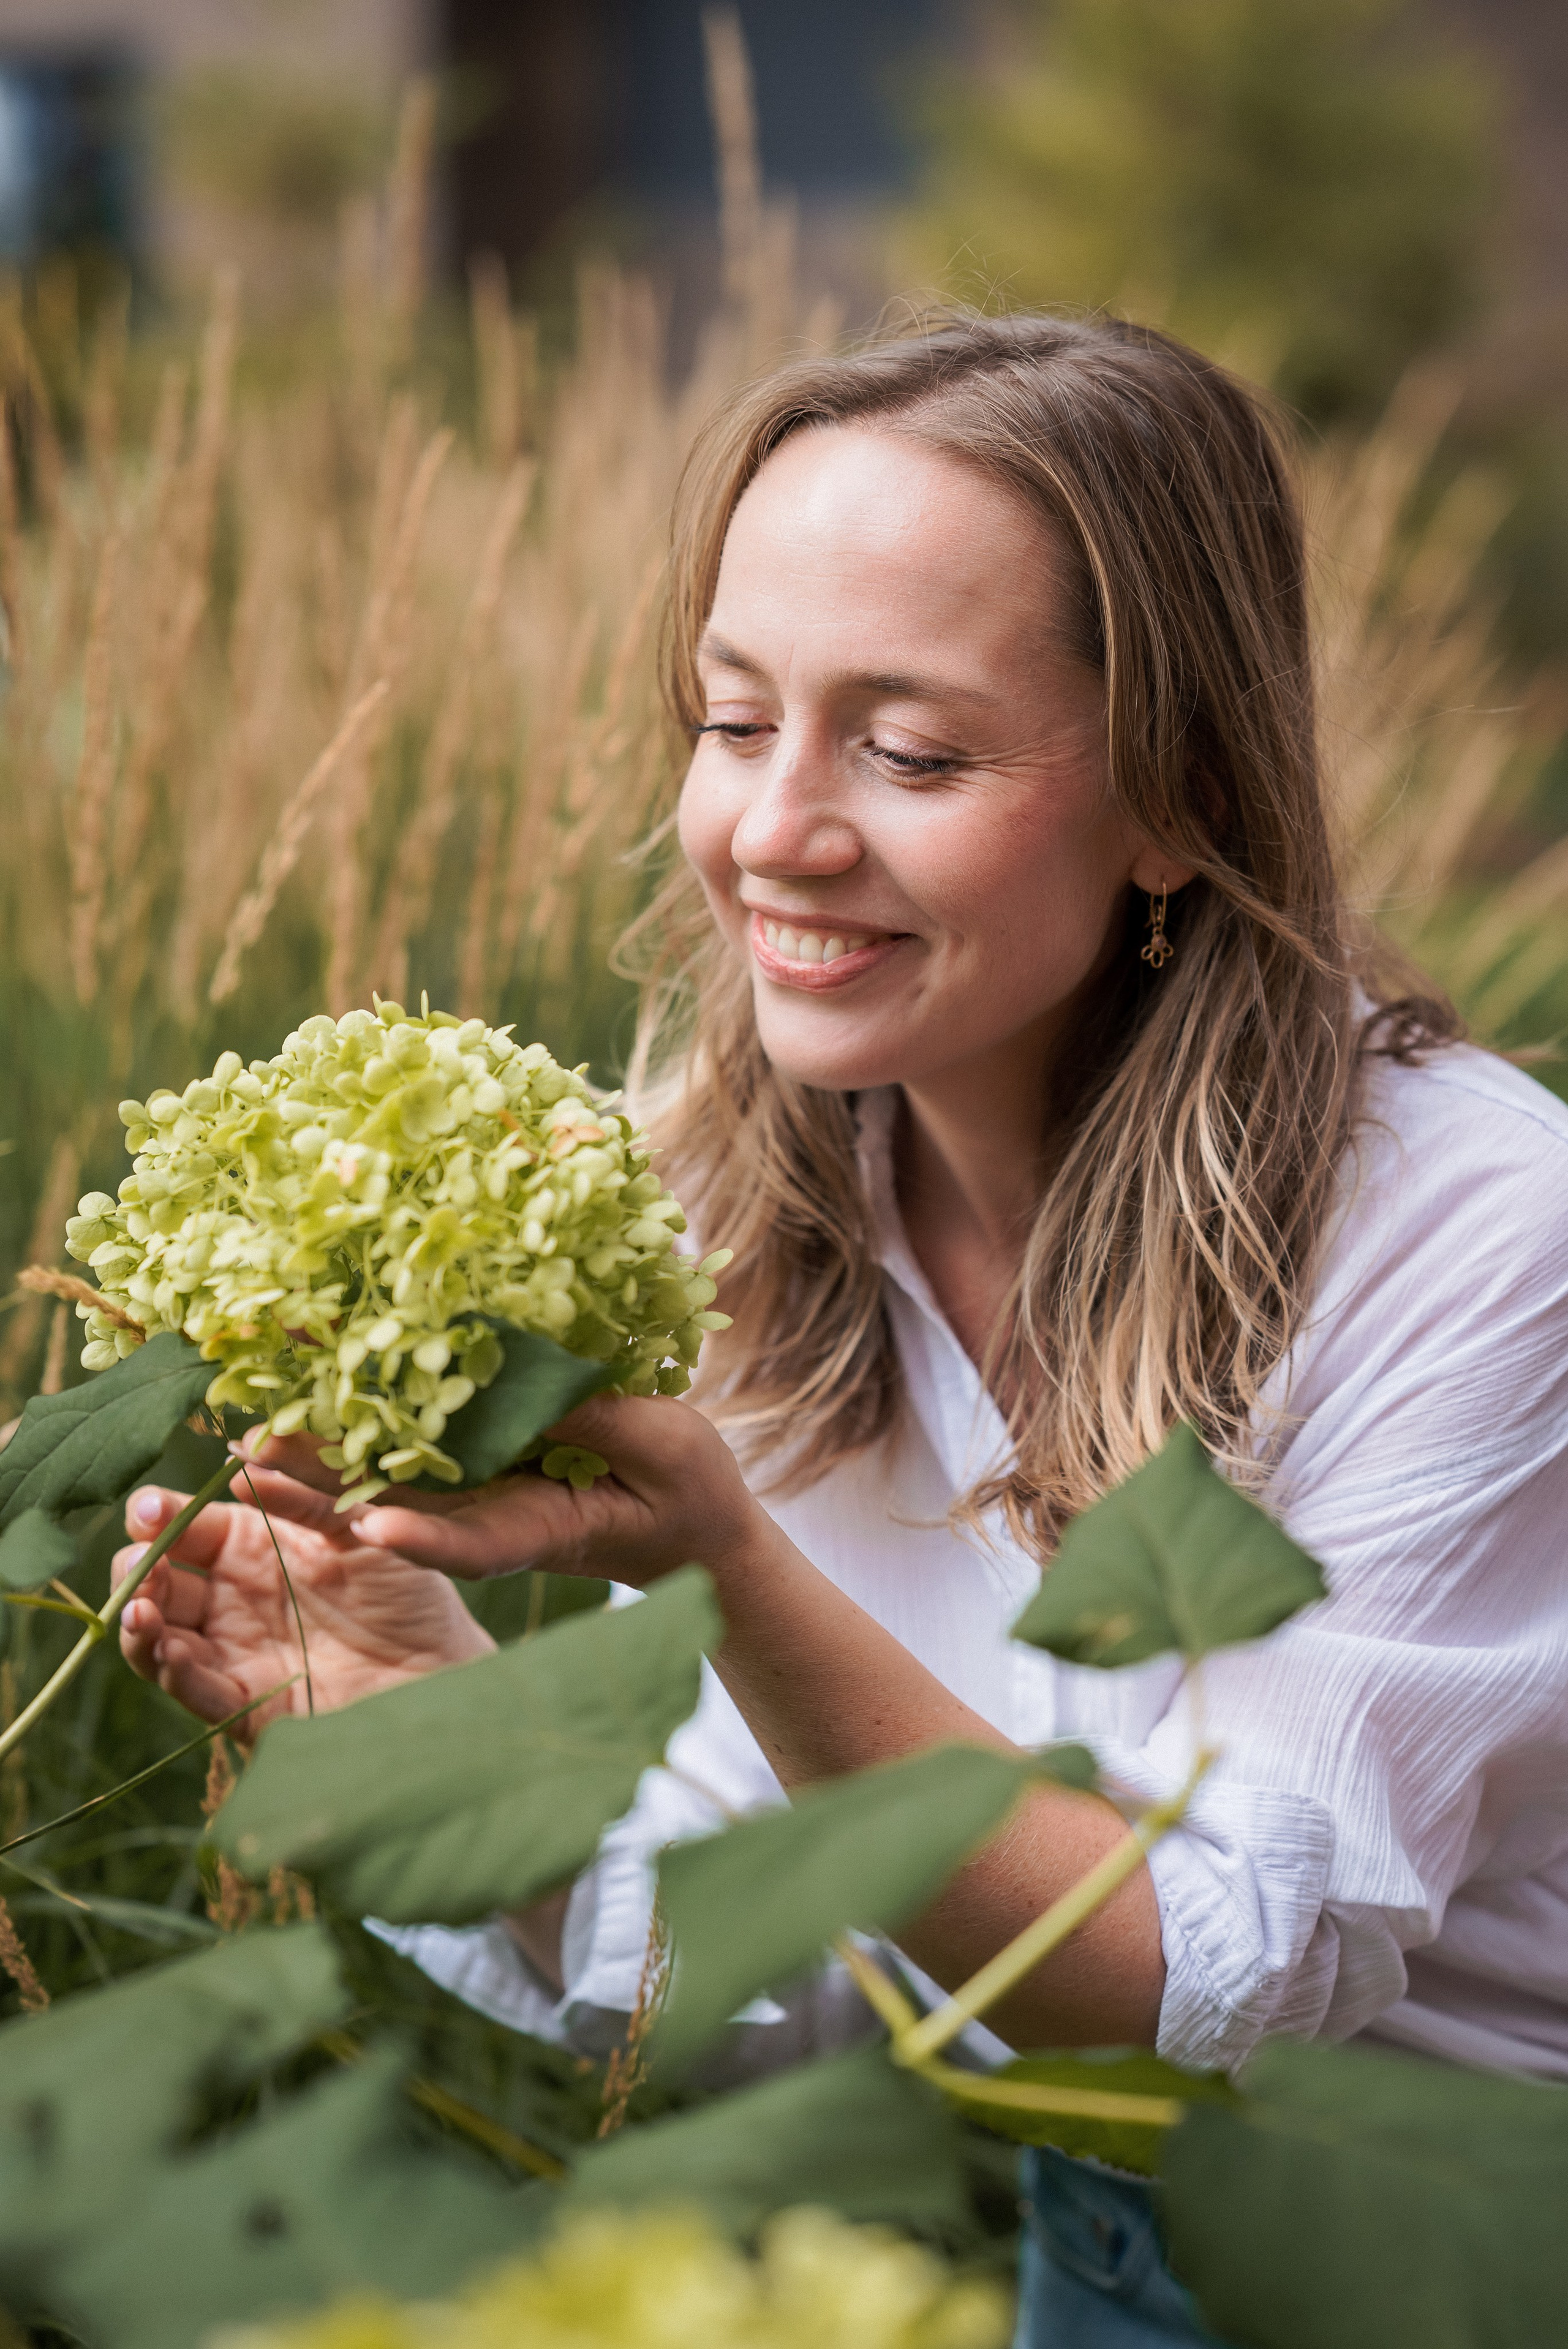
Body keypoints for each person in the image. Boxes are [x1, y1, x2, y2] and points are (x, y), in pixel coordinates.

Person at [112, 314, 1568, 2347]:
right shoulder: (709, 1200)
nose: (775, 833)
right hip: (1078, 2256)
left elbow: (1211, 1980)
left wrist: (734, 1562)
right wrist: (447, 1755)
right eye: (732, 721)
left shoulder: (1478, 1230)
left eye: (910, 751)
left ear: (1179, 793)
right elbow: (786, 1983)